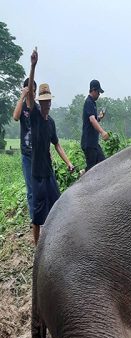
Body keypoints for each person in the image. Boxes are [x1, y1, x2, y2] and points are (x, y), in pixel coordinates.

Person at [24, 48, 76, 244]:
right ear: (40, 102)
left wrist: (69, 163)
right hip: (36, 174)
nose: (46, 105)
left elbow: (57, 145)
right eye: (43, 102)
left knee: (56, 207)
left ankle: (56, 242)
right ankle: (38, 248)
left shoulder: (51, 122)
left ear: (51, 103)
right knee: (38, 216)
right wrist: (33, 65)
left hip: (48, 173)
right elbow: (29, 96)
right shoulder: (35, 116)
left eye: (48, 102)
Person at [12, 78, 36, 221]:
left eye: (33, 89)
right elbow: (15, 117)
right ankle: (34, 220)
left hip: (38, 154)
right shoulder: (22, 108)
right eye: (29, 89)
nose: (31, 92)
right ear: (25, 89)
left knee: (40, 186)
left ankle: (41, 217)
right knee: (31, 190)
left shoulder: (37, 107)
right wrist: (22, 96)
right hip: (26, 154)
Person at [81, 79, 109, 171]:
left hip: (93, 143)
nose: (99, 94)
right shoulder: (89, 102)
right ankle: (83, 174)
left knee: (102, 164)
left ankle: (84, 172)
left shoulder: (92, 103)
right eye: (98, 92)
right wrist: (102, 132)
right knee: (92, 170)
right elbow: (92, 119)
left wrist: (99, 117)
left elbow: (93, 119)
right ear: (93, 90)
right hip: (89, 143)